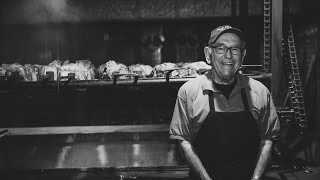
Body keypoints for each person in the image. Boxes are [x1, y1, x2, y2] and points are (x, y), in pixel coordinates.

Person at [169, 25, 280, 180]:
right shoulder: (189, 92)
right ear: (208, 54)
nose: (229, 55)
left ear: (243, 55)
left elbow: (268, 138)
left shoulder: (259, 91)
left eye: (235, 49)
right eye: (221, 48)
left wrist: (256, 178)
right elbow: (184, 141)